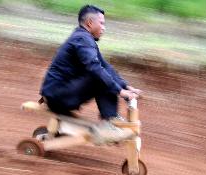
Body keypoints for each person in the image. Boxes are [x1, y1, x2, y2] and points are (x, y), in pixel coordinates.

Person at [40, 5, 141, 143]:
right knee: (97, 76)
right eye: (101, 23)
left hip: (61, 93)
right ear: (89, 23)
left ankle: (111, 120)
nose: (104, 28)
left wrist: (126, 87)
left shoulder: (84, 38)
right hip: (57, 96)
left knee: (102, 72)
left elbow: (105, 66)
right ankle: (109, 123)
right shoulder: (82, 39)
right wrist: (120, 92)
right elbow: (95, 69)